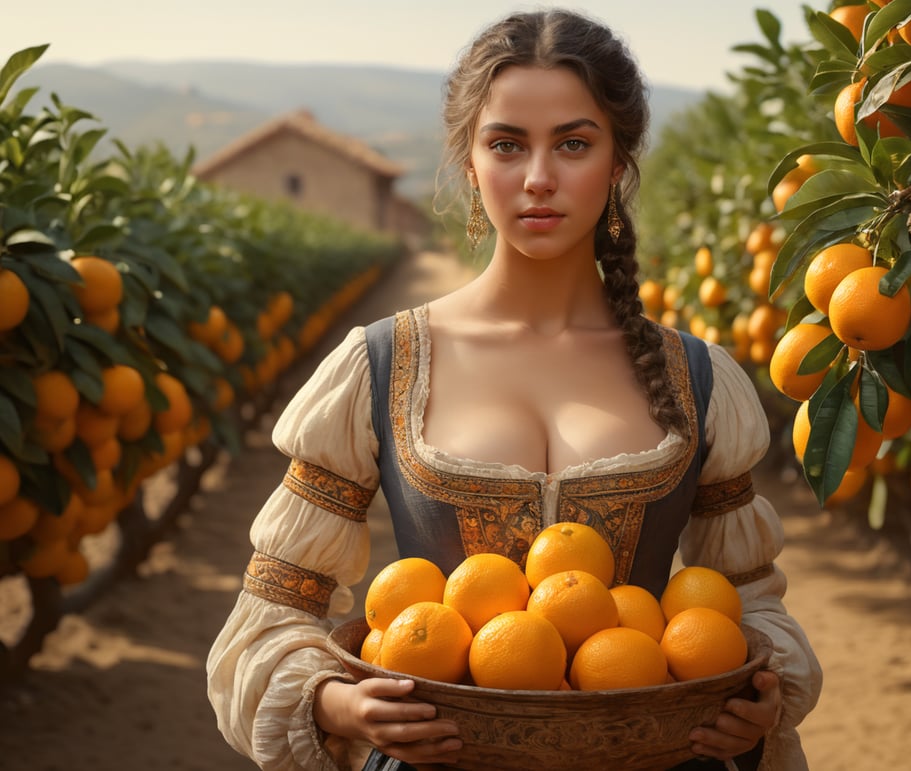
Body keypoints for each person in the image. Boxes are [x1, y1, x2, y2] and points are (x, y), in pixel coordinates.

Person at [207, 8, 822, 771]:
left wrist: (759, 696)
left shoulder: (694, 375)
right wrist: (337, 700)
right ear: (470, 162)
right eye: (506, 144)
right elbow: (273, 612)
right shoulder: (381, 364)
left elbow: (749, 600)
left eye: (573, 143)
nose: (538, 178)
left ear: (618, 162)